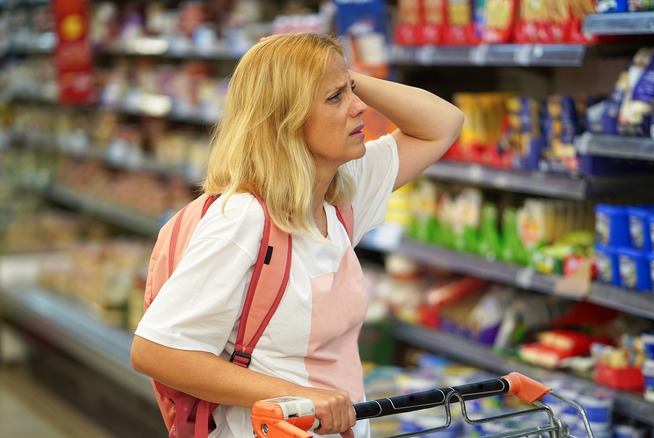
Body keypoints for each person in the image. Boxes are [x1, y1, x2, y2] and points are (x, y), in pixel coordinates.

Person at [130, 32, 464, 438]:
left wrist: (334, 72)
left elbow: (444, 123)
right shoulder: (242, 219)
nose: (360, 107)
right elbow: (155, 350)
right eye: (335, 98)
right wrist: (296, 394)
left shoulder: (338, 196)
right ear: (284, 118)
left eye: (350, 91)